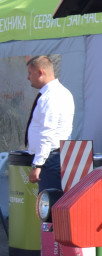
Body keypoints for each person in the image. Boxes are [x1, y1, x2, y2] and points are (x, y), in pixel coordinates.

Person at [26, 55, 74, 193]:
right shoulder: (58, 93)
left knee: (49, 205)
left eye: (30, 73)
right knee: (51, 204)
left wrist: (38, 164)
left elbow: (47, 132)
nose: (28, 77)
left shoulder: (51, 97)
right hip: (53, 156)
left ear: (40, 72)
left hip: (50, 158)